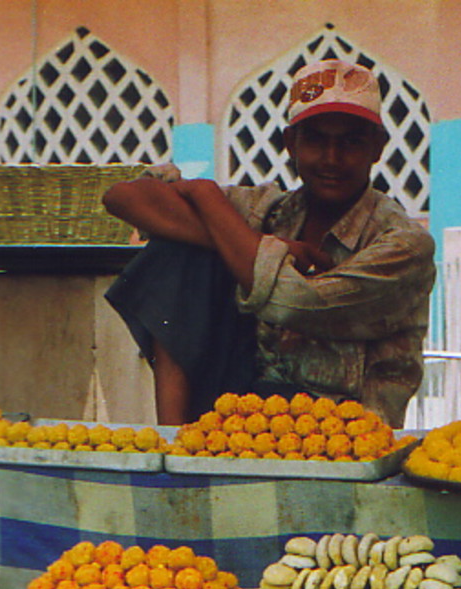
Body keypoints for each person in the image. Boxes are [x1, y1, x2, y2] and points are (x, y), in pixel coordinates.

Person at [101, 59, 436, 427]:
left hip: (344, 429)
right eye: (316, 140)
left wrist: (209, 201)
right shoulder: (270, 211)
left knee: (216, 233)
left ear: (377, 147)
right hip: (250, 414)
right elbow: (125, 197)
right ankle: (174, 436)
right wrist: (261, 238)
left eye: (351, 142)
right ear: (290, 144)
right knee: (181, 250)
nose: (332, 159)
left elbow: (292, 303)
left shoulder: (403, 244)